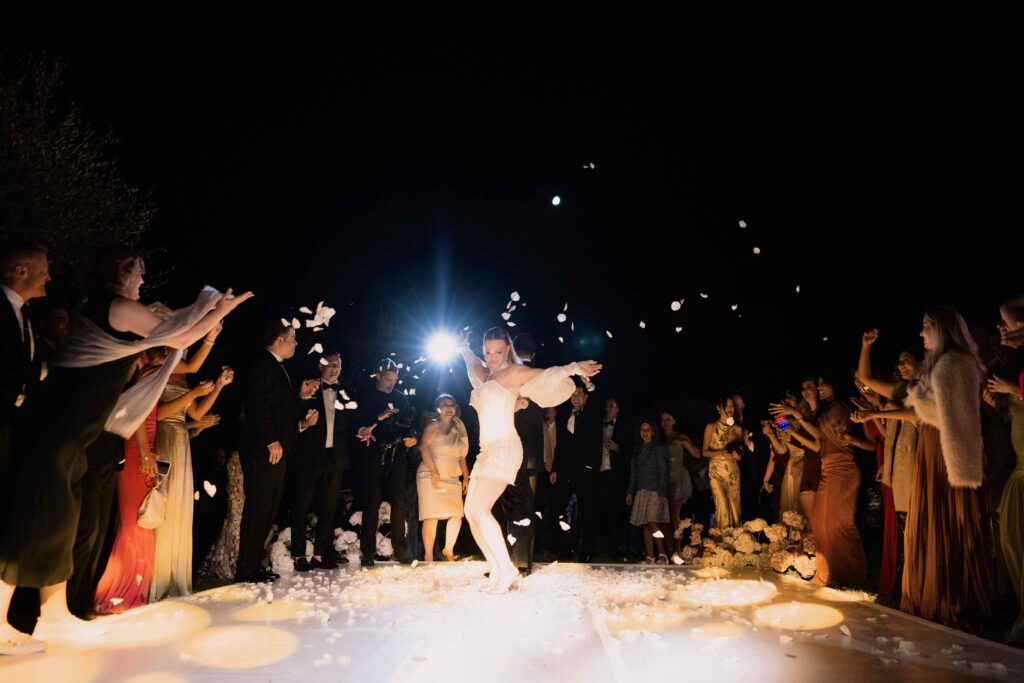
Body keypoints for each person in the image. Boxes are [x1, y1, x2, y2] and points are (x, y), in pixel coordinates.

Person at [458, 327, 601, 593]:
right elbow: (471, 361)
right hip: (485, 449)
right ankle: (497, 568)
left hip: (504, 448)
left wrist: (575, 367)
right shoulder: (483, 375)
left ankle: (508, 568)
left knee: (479, 510)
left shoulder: (513, 373)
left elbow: (547, 374)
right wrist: (463, 348)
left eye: (499, 351)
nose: (493, 357)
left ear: (508, 349)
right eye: (488, 351)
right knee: (470, 512)